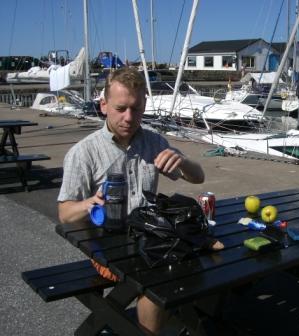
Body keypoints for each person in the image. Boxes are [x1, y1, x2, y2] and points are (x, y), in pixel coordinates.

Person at [57, 67, 221, 334]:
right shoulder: (83, 152)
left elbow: (198, 178)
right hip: (108, 248)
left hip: (151, 238)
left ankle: (198, 321)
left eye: (136, 109)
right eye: (121, 108)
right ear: (103, 105)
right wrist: (91, 203)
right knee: (157, 284)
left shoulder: (153, 141)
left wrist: (183, 161)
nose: (129, 117)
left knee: (208, 261)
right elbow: (64, 213)